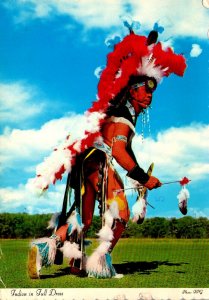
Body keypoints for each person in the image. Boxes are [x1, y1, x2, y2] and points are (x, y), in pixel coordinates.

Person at [28, 27, 186, 279]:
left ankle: (47, 249)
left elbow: (126, 154)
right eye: (146, 90)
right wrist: (144, 178)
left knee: (84, 219)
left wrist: (138, 177)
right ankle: (99, 263)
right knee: (121, 214)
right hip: (99, 162)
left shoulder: (115, 115)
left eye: (152, 92)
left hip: (86, 164)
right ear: (132, 89)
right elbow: (120, 152)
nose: (149, 97)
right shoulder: (122, 118)